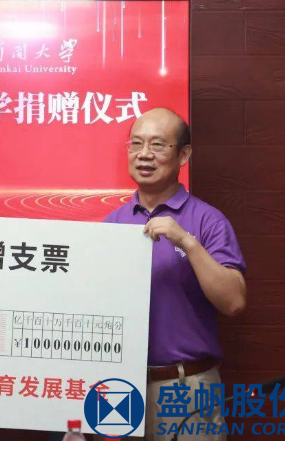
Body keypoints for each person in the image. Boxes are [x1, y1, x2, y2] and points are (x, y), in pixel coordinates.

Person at [104, 108, 246, 441]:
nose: (144, 154)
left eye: (158, 145)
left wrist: (186, 241)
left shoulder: (208, 221)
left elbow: (234, 302)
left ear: (183, 155)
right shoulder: (112, 223)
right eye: (136, 143)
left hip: (186, 386)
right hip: (120, 387)